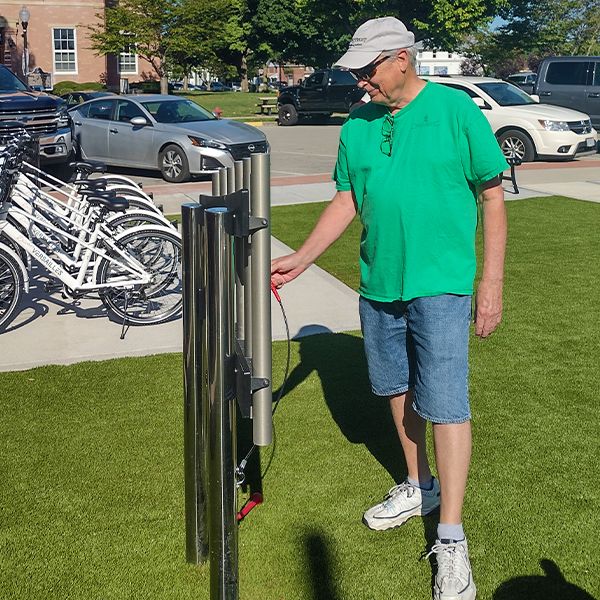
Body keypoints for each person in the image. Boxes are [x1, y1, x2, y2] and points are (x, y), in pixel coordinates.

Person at [270, 15, 508, 600]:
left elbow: (492, 197)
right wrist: (301, 257)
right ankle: (417, 482)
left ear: (402, 57)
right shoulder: (357, 124)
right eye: (356, 70)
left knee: (447, 402)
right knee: (397, 389)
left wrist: (491, 281)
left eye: (368, 68)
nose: (361, 81)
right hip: (379, 285)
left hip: (443, 284)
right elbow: (348, 198)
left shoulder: (457, 112)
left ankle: (450, 536)